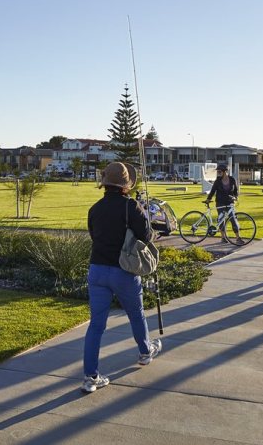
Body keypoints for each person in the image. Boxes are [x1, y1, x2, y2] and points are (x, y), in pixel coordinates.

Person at [82, 162, 162, 393]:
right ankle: (145, 352)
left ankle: (91, 376)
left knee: (96, 326)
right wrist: (144, 213)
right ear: (126, 185)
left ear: (105, 184)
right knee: (135, 313)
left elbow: (93, 236)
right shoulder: (131, 207)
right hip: (123, 270)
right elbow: (146, 236)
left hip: (97, 269)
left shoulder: (95, 209)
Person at [205, 163, 243, 244]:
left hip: (230, 202)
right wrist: (208, 199)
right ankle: (223, 237)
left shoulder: (232, 180)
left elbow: (236, 191)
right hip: (220, 202)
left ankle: (238, 238)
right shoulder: (217, 181)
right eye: (218, 172)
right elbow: (212, 191)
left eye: (219, 172)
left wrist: (235, 197)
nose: (218, 173)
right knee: (221, 219)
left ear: (225, 172)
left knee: (233, 219)